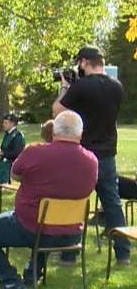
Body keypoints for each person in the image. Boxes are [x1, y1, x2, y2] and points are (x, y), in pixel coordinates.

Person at [0, 111, 98, 289]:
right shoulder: (92, 161)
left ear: (54, 131)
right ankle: (32, 273)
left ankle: (10, 281)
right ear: (80, 134)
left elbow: (15, 174)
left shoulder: (35, 151)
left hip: (33, 227)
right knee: (46, 217)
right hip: (72, 232)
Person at [53, 45, 128, 264]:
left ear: (84, 62)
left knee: (75, 201)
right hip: (107, 154)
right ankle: (123, 253)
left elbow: (58, 111)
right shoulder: (117, 87)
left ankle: (70, 253)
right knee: (112, 203)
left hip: (83, 154)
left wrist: (66, 88)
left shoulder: (81, 87)